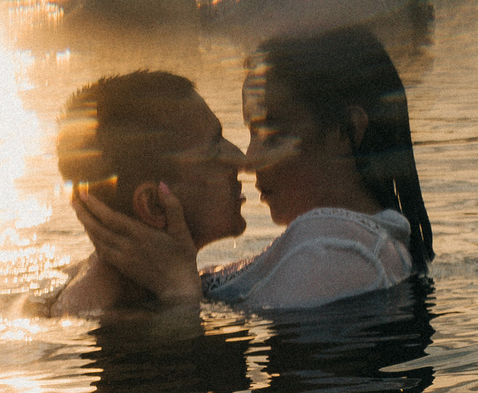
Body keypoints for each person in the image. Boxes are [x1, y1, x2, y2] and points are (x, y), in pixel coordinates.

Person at [64, 23, 433, 314]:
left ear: (346, 131)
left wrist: (179, 294)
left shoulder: (333, 249)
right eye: (250, 133)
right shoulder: (337, 245)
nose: (247, 159)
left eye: (273, 135)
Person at [52, 69, 249, 314]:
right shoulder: (108, 318)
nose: (241, 159)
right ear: (153, 205)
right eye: (215, 149)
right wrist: (181, 296)